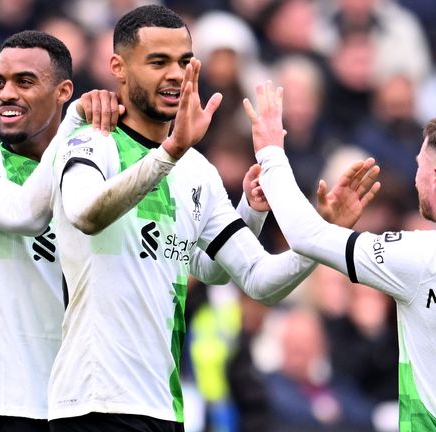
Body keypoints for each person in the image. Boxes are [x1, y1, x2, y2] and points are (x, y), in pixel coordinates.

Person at [48, 5, 376, 431]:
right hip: (92, 404)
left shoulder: (197, 171)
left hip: (165, 408)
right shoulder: (90, 143)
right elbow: (84, 215)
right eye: (158, 61)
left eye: (183, 62)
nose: (174, 75)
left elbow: (257, 279)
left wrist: (322, 236)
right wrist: (169, 153)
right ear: (118, 68)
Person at [0, 30, 270, 432]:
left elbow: (198, 263)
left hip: (100, 400)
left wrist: (249, 213)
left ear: (63, 91)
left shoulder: (110, 165)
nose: (5, 94)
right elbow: (24, 214)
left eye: (24, 82)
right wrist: (76, 124)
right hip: (21, 403)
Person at [246, 81, 436, 431]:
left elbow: (304, 236)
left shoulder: (423, 257)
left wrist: (271, 152)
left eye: (420, 165)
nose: (416, 176)